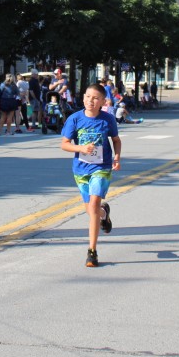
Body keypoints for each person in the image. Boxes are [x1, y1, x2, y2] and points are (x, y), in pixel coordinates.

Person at [61, 83, 121, 267]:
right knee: (91, 210)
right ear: (83, 98)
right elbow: (64, 144)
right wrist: (80, 148)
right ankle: (104, 214)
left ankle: (92, 252)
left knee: (93, 204)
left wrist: (117, 157)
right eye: (88, 97)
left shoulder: (108, 119)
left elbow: (116, 140)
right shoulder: (75, 119)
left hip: (101, 167)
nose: (90, 101)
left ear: (103, 101)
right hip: (81, 169)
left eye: (95, 98)